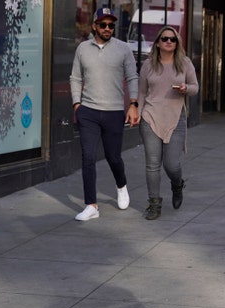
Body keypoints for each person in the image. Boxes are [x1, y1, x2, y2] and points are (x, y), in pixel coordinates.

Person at [70, 7, 139, 221]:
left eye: (111, 25)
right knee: (88, 156)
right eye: (103, 25)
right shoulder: (82, 48)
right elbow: (75, 78)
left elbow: (133, 77)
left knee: (113, 157)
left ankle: (121, 185)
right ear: (94, 26)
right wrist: (77, 105)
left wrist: (133, 104)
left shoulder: (124, 49)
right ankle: (91, 205)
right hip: (88, 111)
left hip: (114, 112)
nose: (108, 28)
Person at [137, 26, 199, 220]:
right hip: (150, 117)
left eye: (173, 39)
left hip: (176, 117)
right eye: (165, 39)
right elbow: (141, 92)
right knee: (152, 164)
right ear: (157, 42)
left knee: (171, 164)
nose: (169, 42)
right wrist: (137, 114)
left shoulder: (185, 63)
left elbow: (195, 87)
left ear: (177, 42)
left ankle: (177, 184)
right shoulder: (148, 65)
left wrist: (185, 88)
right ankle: (154, 203)